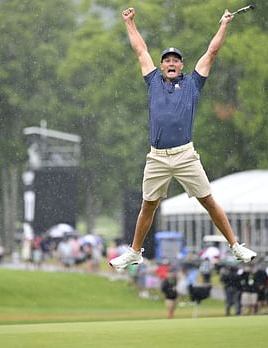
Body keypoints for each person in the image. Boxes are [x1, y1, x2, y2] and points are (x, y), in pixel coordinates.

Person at [109, 7, 256, 270]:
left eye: (176, 60)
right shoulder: (153, 81)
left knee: (208, 201)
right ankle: (134, 252)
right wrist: (130, 23)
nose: (171, 63)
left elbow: (211, 52)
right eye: (167, 60)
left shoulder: (193, 84)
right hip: (157, 157)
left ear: (182, 65)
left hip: (185, 155)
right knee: (148, 205)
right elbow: (141, 51)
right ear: (163, 64)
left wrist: (223, 24)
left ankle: (236, 247)